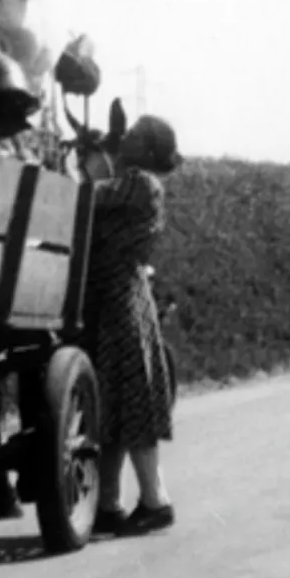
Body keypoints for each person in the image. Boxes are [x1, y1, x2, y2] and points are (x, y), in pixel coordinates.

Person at [82, 114, 182, 536]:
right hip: (119, 296)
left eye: (136, 136)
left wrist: (90, 159)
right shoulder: (136, 181)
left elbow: (87, 195)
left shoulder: (140, 182)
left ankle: (155, 503)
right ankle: (109, 504)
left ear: (148, 151)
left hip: (122, 297)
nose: (127, 139)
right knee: (117, 402)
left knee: (131, 399)